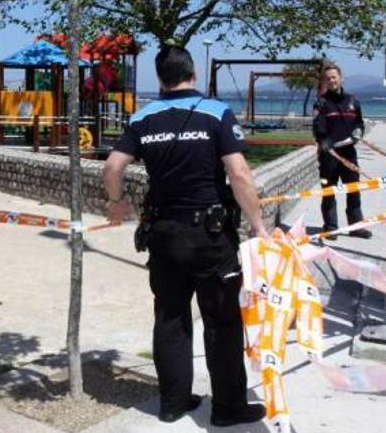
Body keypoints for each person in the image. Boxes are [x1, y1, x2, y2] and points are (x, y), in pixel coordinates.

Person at [102, 45, 268, 427]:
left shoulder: (143, 118)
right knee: (222, 322)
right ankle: (228, 408)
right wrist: (258, 226)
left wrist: (117, 202)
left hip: (163, 236)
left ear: (160, 77)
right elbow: (240, 174)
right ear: (192, 73)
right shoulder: (216, 113)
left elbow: (113, 166)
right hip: (210, 238)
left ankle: (173, 403)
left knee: (171, 319)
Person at [312, 65, 372, 240]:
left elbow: (359, 123)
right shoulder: (321, 103)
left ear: (341, 78)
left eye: (334, 77)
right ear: (325, 81)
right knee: (328, 191)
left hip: (349, 154)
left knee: (353, 190)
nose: (332, 80)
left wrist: (359, 132)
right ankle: (330, 227)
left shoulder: (353, 101)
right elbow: (317, 126)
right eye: (328, 78)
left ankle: (356, 227)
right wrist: (324, 140)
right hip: (329, 156)